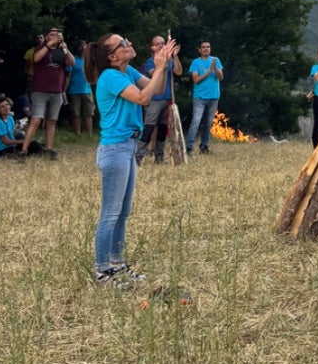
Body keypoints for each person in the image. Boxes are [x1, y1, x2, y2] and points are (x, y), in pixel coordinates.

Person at [92, 33, 174, 285]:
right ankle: (102, 270)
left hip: (127, 147)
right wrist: (159, 67)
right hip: (115, 149)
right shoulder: (110, 76)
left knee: (123, 211)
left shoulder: (127, 73)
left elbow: (157, 88)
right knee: (111, 212)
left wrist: (163, 66)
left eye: (127, 40)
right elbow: (143, 98)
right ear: (112, 56)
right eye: (122, 44)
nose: (129, 45)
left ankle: (117, 263)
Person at [23, 27, 72, 159]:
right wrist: (48, 45)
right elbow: (36, 59)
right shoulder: (40, 48)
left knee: (52, 121)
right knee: (36, 119)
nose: (55, 36)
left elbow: (71, 63)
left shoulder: (61, 50)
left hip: (57, 91)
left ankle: (49, 149)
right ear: (46, 37)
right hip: (40, 90)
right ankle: (24, 150)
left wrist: (65, 48)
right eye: (52, 34)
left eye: (57, 34)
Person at [137, 34, 178, 164]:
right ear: (153, 47)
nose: (161, 45)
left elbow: (179, 71)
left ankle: (159, 157)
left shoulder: (169, 60)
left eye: (163, 43)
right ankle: (138, 157)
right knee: (148, 128)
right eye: (158, 44)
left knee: (162, 128)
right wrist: (162, 64)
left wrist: (174, 56)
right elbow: (153, 75)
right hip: (154, 99)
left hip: (166, 98)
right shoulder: (150, 61)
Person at [186, 40, 223, 153]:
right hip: (200, 97)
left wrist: (215, 68)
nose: (206, 49)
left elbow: (221, 78)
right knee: (196, 121)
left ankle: (204, 146)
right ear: (199, 50)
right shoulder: (196, 62)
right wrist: (209, 71)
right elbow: (196, 80)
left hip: (214, 96)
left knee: (208, 123)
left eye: (208, 46)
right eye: (203, 47)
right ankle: (188, 147)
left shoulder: (215, 60)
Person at [68, 42, 94, 137]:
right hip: (74, 91)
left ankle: (89, 134)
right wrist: (65, 89)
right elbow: (68, 75)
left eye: (84, 46)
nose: (82, 48)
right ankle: (77, 133)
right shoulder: (73, 60)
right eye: (80, 45)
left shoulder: (89, 60)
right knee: (75, 113)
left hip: (87, 90)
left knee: (89, 113)